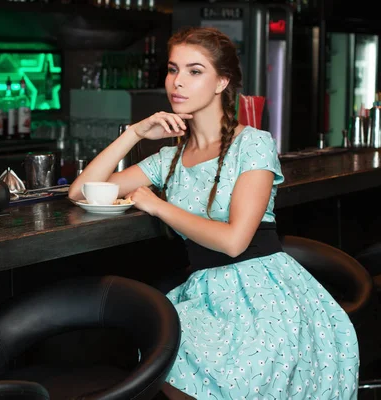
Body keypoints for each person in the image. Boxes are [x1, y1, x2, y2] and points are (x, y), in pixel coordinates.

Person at [68, 27, 359, 399]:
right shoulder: (168, 159)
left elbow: (236, 241)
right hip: (204, 294)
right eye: (173, 70)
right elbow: (81, 191)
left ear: (222, 81)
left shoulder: (253, 143)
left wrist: (157, 205)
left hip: (264, 294)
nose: (177, 82)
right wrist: (136, 133)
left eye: (194, 71)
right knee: (161, 347)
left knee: (224, 368)